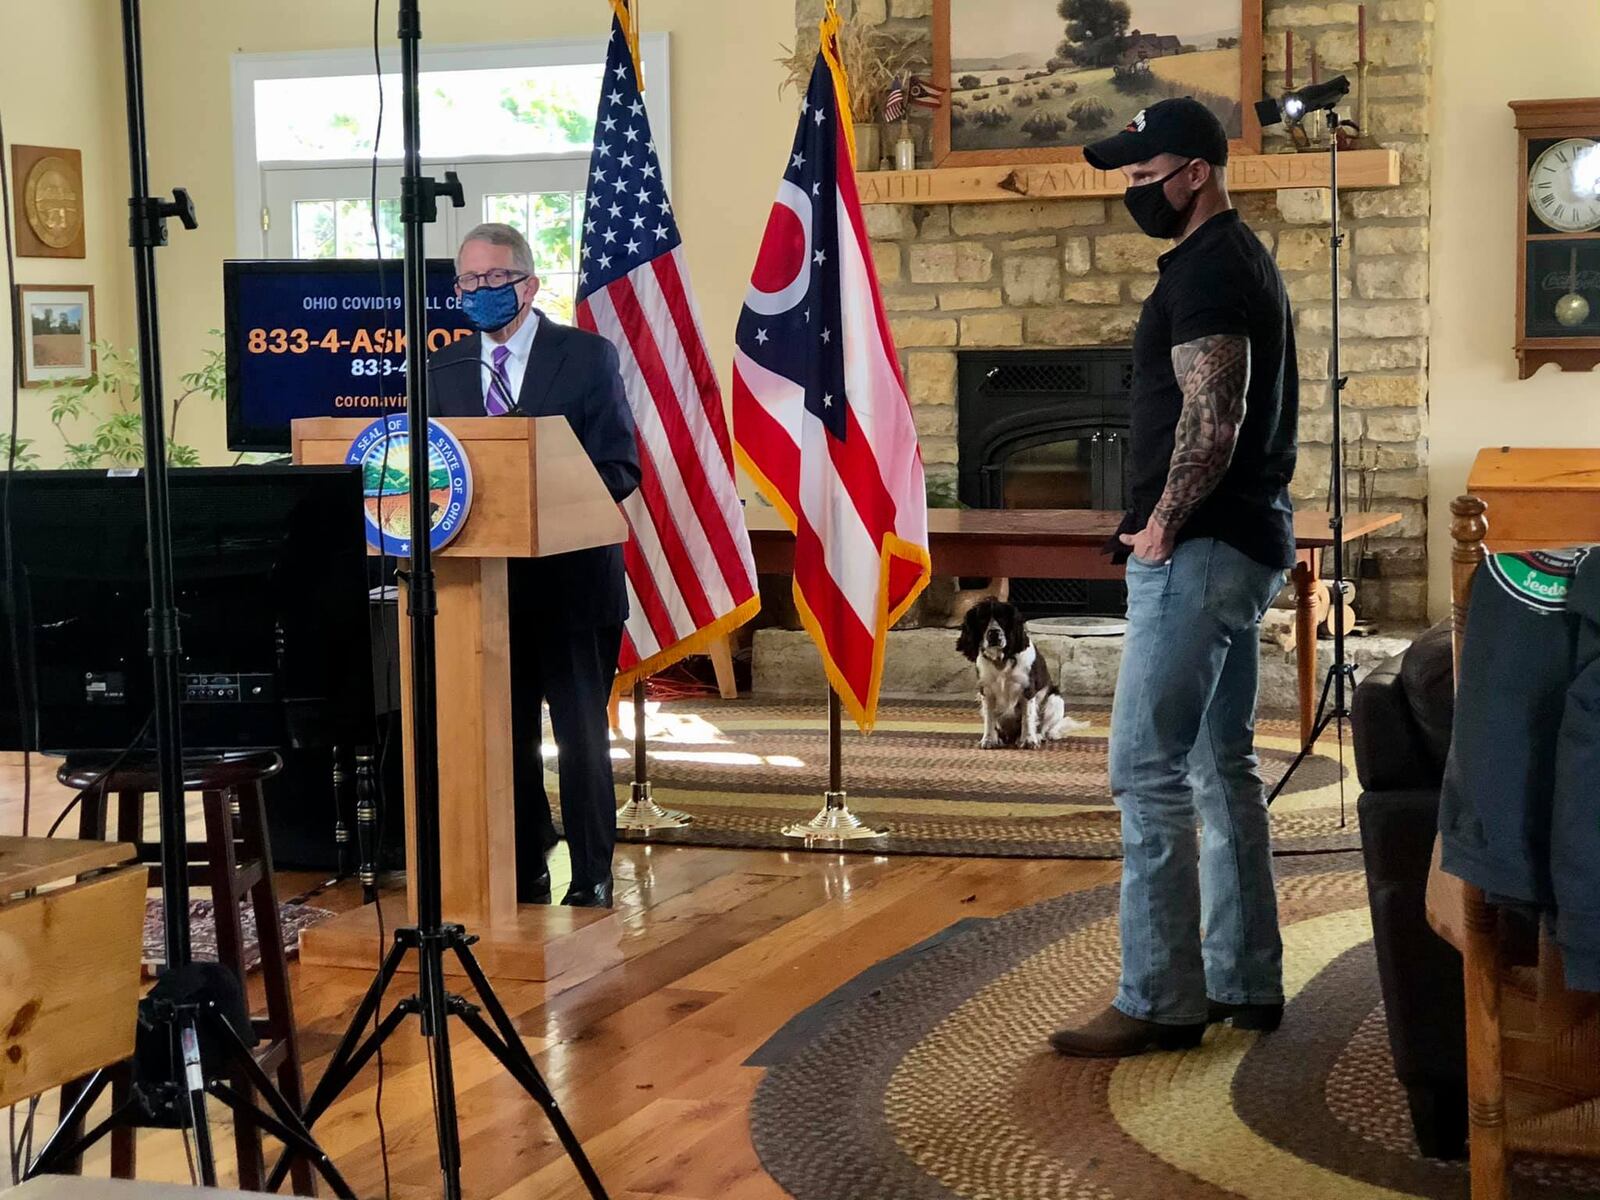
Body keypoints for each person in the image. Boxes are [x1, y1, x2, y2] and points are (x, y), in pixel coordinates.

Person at [1049, 99, 1299, 1057]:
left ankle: (1159, 999)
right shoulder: (1235, 260)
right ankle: (1245, 979)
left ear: (1194, 170)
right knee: (1216, 765)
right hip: (1241, 544)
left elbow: (1213, 417)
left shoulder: (1209, 271)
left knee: (1144, 770)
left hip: (1196, 551)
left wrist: (1158, 526)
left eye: (1142, 173)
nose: (1130, 189)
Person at [428, 222, 640, 908]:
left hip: (574, 584)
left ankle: (592, 872)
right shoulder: (443, 369)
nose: (482, 292)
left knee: (579, 735)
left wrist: (543, 496)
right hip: (484, 588)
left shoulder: (584, 356)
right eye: (469, 282)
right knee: (505, 735)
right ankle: (523, 861)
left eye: (495, 279)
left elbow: (619, 465)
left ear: (529, 282)